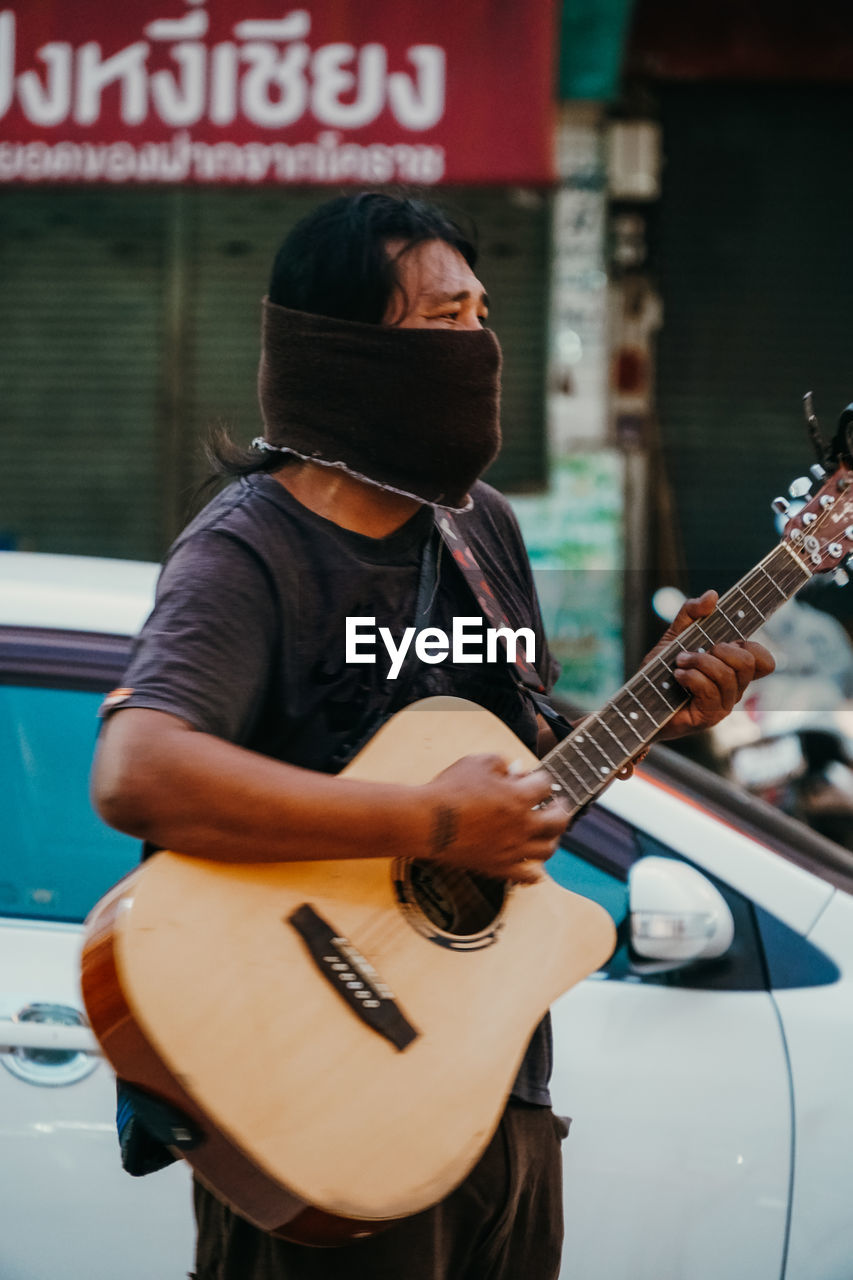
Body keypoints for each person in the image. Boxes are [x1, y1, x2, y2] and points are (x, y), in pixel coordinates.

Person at [91, 192, 774, 1280]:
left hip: (492, 1103)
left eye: (482, 316)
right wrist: (435, 817)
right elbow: (139, 770)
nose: (480, 348)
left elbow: (527, 791)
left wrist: (658, 707)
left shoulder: (479, 529)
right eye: (442, 323)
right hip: (312, 1102)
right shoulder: (248, 550)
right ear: (342, 350)